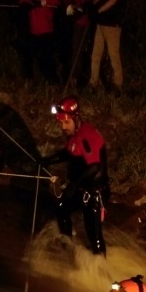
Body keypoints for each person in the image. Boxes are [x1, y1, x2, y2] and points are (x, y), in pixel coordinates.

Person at [41, 95, 109, 255]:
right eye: (61, 123)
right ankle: (67, 247)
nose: (63, 127)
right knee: (61, 208)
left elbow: (95, 167)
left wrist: (74, 185)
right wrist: (47, 160)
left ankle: (100, 270)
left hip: (94, 194)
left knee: (94, 235)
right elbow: (69, 152)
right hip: (80, 188)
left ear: (75, 118)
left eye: (66, 122)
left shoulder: (87, 136)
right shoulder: (74, 135)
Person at [88, 0, 129, 96]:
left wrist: (97, 11)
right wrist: (91, 5)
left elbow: (113, 0)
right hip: (101, 24)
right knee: (96, 55)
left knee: (113, 56)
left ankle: (118, 84)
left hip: (112, 25)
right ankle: (93, 82)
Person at [18, 0, 60, 84]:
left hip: (46, 30)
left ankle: (52, 80)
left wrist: (45, 3)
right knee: (28, 55)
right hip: (33, 31)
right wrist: (34, 4)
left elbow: (56, 3)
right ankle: (28, 78)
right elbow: (22, 3)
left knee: (47, 56)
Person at [63, 0, 100, 88]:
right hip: (78, 22)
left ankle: (91, 78)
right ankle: (74, 78)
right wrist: (69, 5)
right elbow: (67, 0)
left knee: (93, 50)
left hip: (92, 22)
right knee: (76, 50)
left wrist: (92, 10)